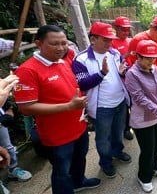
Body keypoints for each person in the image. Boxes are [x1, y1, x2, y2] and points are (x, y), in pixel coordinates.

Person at [14, 25, 101, 194]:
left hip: (78, 126)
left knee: (79, 159)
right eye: (54, 44)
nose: (61, 48)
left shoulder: (63, 60)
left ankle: (79, 182)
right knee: (62, 171)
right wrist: (68, 106)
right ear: (38, 43)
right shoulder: (27, 70)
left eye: (64, 43)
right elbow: (26, 108)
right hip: (57, 135)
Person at [72, 22, 131, 179]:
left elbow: (124, 72)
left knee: (118, 132)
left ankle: (117, 152)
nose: (109, 43)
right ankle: (105, 162)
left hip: (119, 102)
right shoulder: (81, 59)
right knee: (103, 138)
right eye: (105, 39)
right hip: (101, 107)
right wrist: (101, 73)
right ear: (93, 38)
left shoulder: (114, 54)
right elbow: (82, 83)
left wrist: (124, 72)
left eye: (110, 39)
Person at [125, 40, 157, 193]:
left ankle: (155, 166)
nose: (151, 61)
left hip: (156, 116)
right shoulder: (132, 74)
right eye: (148, 58)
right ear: (138, 57)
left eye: (154, 58)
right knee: (147, 150)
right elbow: (140, 99)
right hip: (142, 120)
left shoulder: (154, 69)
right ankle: (144, 177)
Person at [126, 15, 157, 147]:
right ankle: (148, 140)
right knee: (146, 110)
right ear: (153, 27)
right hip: (142, 83)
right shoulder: (138, 40)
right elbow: (132, 67)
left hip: (156, 79)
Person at [111, 16, 134, 141]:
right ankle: (126, 129)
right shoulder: (112, 42)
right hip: (121, 79)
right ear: (116, 28)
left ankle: (133, 125)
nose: (126, 32)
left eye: (127, 30)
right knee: (124, 105)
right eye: (123, 30)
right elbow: (114, 61)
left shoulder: (130, 41)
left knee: (134, 104)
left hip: (132, 78)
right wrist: (127, 54)